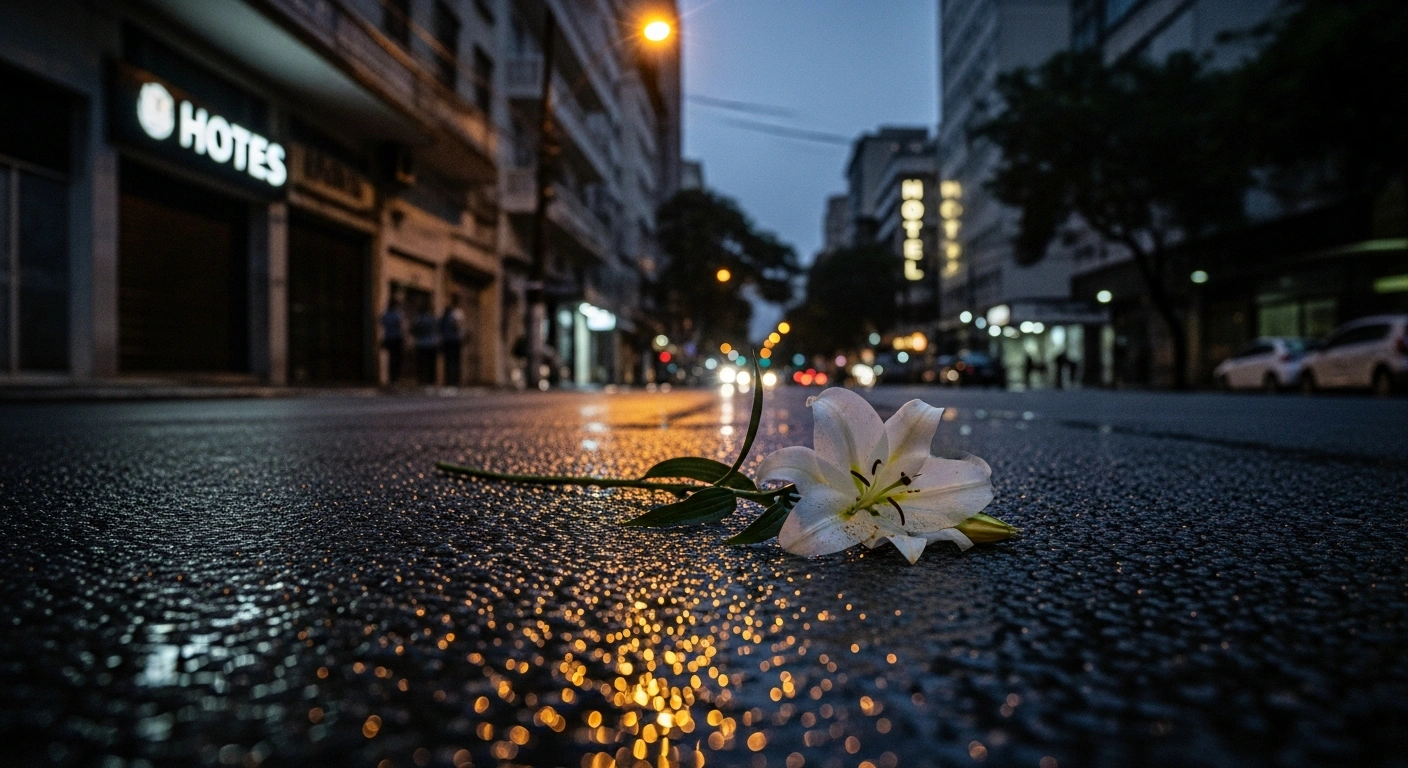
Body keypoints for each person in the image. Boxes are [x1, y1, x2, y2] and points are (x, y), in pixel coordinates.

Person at [379, 298, 406, 385]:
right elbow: (402, 325)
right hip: (397, 338)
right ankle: (395, 377)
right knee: (396, 358)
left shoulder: (385, 314)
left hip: (389, 338)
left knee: (391, 358)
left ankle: (392, 377)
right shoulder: (398, 314)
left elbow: (381, 322)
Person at [411, 302, 439, 385]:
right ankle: (431, 380)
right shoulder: (431, 318)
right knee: (431, 363)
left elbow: (413, 330)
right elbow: (437, 329)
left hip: (420, 343)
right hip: (431, 343)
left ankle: (421, 379)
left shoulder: (418, 319)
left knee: (421, 363)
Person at [439, 298, 466, 386]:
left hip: (446, 341)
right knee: (455, 361)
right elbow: (457, 328)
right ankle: (455, 380)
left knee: (448, 361)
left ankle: (449, 380)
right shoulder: (453, 318)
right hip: (454, 341)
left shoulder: (442, 319)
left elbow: (440, 330)